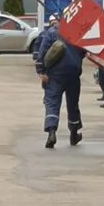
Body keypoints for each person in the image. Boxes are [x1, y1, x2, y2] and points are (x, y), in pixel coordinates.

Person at [32, 12, 84, 147]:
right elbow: (83, 52)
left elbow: (42, 52)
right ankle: (74, 135)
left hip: (55, 74)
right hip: (73, 74)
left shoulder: (51, 33)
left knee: (52, 103)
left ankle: (52, 133)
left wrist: (41, 71)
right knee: (73, 104)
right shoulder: (78, 33)